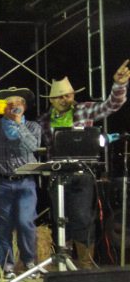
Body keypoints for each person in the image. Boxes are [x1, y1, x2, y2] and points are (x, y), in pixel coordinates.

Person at [38, 60, 129, 269]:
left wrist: (119, 85)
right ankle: (65, 261)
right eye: (60, 96)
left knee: (81, 217)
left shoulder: (83, 110)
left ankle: (85, 264)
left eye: (68, 96)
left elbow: (111, 105)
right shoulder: (44, 120)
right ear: (51, 100)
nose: (64, 99)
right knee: (60, 219)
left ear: (73, 96)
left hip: (81, 174)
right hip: (57, 175)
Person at [0, 86, 41, 279]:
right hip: (1, 182)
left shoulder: (32, 126)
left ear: (24, 106)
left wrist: (19, 125)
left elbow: (33, 146)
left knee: (25, 222)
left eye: (18, 103)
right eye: (10, 103)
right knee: (4, 225)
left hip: (25, 182)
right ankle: (7, 264)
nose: (14, 106)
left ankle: (29, 261)